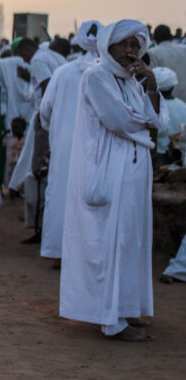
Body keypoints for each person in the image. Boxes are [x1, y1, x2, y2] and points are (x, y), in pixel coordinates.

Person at [60, 20, 162, 341]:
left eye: (135, 45)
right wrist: (146, 124)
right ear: (109, 46)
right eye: (124, 45)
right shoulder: (97, 76)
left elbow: (157, 121)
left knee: (132, 239)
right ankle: (110, 321)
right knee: (111, 241)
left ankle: (126, 306)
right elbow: (119, 120)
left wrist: (152, 86)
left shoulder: (133, 81)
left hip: (133, 170)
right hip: (108, 169)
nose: (131, 52)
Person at [39, 21, 100, 263]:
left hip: (65, 146)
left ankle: (60, 253)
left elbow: (45, 110)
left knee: (62, 195)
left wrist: (57, 133)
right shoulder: (111, 73)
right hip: (99, 148)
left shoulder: (63, 72)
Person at [150, 24, 186, 103]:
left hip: (169, 101)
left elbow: (153, 79)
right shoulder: (184, 49)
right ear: (170, 36)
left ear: (155, 38)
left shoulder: (153, 53)